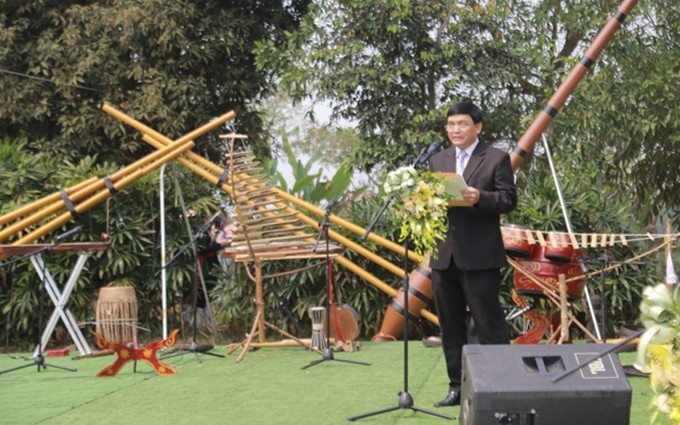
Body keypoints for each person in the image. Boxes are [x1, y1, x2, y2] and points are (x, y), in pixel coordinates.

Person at [428, 101, 517, 407]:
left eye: (462, 124)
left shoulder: (495, 158)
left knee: (488, 323)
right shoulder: (438, 160)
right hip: (444, 256)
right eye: (451, 125)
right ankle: (457, 386)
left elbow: (507, 200)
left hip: (480, 256)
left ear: (478, 127)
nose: (455, 130)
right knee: (450, 326)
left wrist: (480, 197)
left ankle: (501, 384)